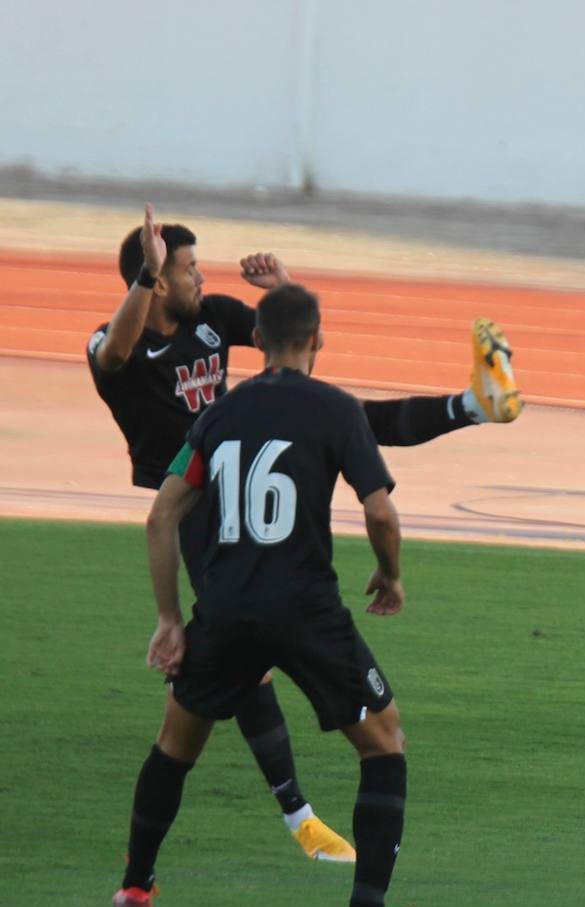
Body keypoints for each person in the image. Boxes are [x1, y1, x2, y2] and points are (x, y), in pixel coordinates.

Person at [88, 204, 520, 862]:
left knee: (348, 417)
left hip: (234, 484)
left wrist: (283, 285)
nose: (201, 277)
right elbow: (118, 353)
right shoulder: (112, 340)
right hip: (197, 511)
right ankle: (299, 817)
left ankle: (473, 404)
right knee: (248, 670)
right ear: (152, 279)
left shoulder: (209, 318)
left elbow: (290, 345)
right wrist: (146, 279)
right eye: (186, 270)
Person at [113, 283, 431, 907]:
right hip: (306, 611)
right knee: (385, 743)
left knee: (175, 747)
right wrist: (390, 572)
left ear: (255, 340)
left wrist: (170, 618)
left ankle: (135, 887)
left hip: (225, 610)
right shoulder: (337, 410)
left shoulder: (219, 414)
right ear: (318, 339)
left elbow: (161, 515)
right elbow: (379, 510)